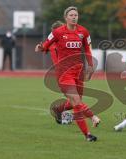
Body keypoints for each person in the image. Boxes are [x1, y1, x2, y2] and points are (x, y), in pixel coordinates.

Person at [35, 6, 100, 142]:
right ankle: (89, 131)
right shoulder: (57, 32)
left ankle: (58, 109)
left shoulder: (84, 32)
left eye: (76, 15)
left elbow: (87, 48)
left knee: (76, 102)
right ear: (66, 18)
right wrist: (40, 48)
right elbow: (46, 45)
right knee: (76, 102)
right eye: (71, 15)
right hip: (64, 73)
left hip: (78, 71)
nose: (74, 17)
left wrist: (90, 65)